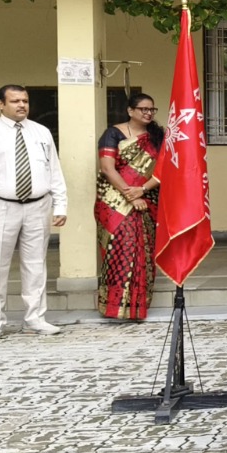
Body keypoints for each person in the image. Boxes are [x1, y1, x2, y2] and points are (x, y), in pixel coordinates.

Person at [0, 84, 67, 342]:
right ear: (1, 104)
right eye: (15, 101)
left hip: (38, 205)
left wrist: (60, 204)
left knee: (36, 264)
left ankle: (35, 318)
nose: (21, 105)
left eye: (25, 101)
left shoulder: (41, 132)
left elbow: (54, 170)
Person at [95, 93, 163, 321]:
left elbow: (164, 170)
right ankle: (113, 307)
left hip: (147, 198)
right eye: (143, 109)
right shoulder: (113, 133)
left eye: (151, 109)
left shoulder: (157, 137)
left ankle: (137, 307)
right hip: (114, 201)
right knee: (119, 249)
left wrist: (142, 189)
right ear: (130, 111)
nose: (148, 113)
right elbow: (107, 168)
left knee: (143, 251)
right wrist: (131, 196)